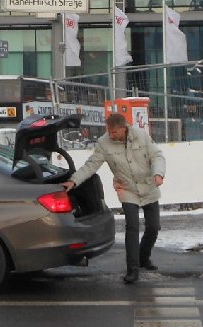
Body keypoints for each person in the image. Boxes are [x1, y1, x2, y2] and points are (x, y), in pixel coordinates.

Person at [63, 112, 166, 283]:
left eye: (114, 133)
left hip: (149, 186)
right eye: (109, 132)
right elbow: (91, 165)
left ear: (124, 128)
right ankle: (132, 270)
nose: (111, 135)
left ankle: (144, 257)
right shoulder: (104, 143)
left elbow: (157, 156)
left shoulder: (141, 135)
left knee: (153, 227)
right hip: (127, 189)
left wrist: (158, 173)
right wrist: (73, 181)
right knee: (132, 227)